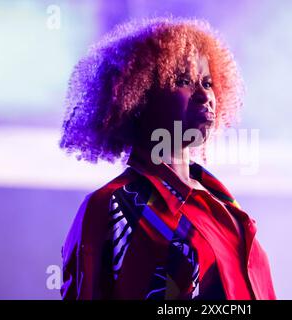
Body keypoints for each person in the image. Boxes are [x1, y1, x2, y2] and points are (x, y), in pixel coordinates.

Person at [59, 17, 276, 300]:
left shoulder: (221, 201)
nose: (204, 96)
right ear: (137, 97)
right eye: (183, 81)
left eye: (208, 83)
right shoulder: (111, 205)